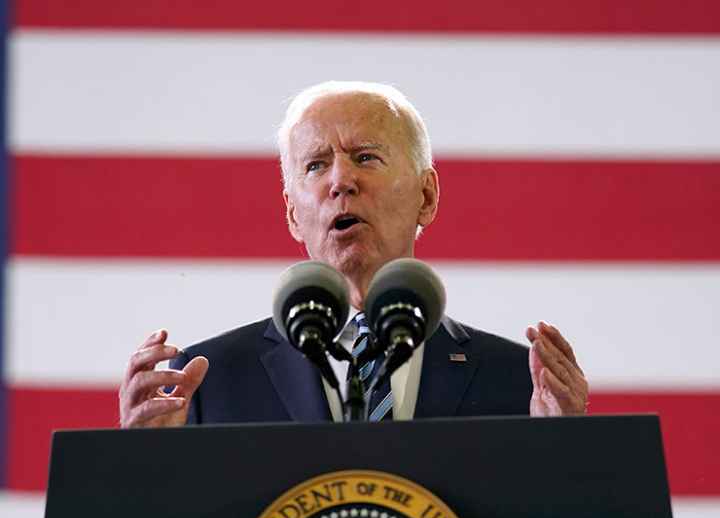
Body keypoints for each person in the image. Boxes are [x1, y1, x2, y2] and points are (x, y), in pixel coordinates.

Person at [119, 81, 588, 429]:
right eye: (316, 164)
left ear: (426, 195)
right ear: (292, 214)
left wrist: (565, 457)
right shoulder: (206, 384)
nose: (340, 181)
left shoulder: (518, 385)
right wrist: (146, 471)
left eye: (365, 157)